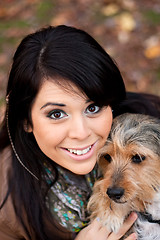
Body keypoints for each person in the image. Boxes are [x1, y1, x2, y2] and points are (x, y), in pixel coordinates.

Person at [0, 25, 160, 240]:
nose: (81, 133)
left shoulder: (148, 116)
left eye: (92, 108)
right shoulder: (5, 206)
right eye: (56, 114)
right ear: (26, 121)